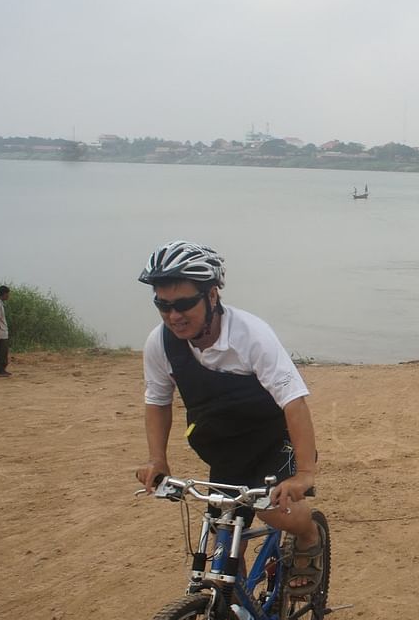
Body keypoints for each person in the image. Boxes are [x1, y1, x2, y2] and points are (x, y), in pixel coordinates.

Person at [133, 241, 323, 590]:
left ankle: (309, 536)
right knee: (223, 544)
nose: (173, 315)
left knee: (269, 509)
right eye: (162, 305)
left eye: (184, 304)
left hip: (273, 440)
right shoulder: (160, 344)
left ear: (212, 295)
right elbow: (158, 400)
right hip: (225, 450)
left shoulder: (251, 336)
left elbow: (294, 402)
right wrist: (157, 459)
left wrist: (305, 474)